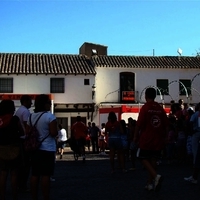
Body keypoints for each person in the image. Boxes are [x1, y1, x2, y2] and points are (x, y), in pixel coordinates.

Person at [134, 87, 168, 191]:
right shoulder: (159, 108)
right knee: (153, 160)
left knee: (141, 157)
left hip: (146, 138)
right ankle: (150, 183)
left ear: (145, 96)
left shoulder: (145, 108)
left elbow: (139, 124)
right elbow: (166, 124)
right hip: (158, 138)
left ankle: (155, 176)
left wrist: (135, 136)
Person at [25, 94, 58, 200]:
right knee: (46, 175)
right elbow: (53, 133)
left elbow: (27, 132)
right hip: (47, 149)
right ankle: (45, 197)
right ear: (45, 104)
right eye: (48, 103)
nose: (49, 104)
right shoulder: (50, 117)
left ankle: (34, 197)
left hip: (35, 149)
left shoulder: (31, 116)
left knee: (34, 174)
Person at [0, 99, 24, 200]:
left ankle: (2, 196)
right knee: (14, 174)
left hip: (1, 149)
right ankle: (15, 196)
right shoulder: (15, 119)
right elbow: (22, 132)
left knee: (2, 174)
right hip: (14, 149)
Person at [15, 94, 32, 192]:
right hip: (24, 139)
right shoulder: (25, 111)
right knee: (26, 164)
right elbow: (27, 126)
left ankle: (19, 184)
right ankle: (23, 185)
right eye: (30, 101)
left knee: (21, 164)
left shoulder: (19, 110)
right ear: (25, 101)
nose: (31, 103)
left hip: (19, 139)